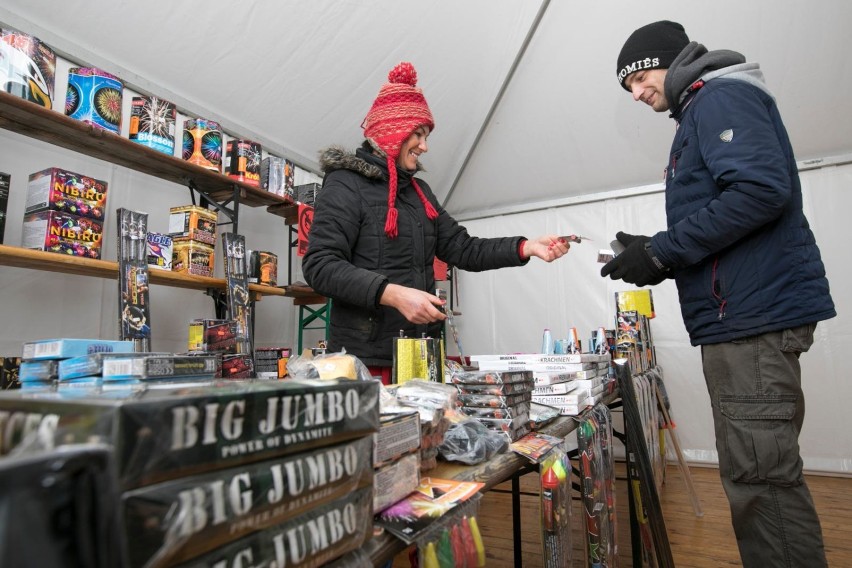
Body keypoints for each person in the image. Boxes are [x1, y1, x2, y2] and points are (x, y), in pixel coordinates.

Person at [603, 20, 835, 567]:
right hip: (744, 317)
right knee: (757, 474)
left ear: (663, 61)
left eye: (635, 82)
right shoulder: (705, 107)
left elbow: (759, 190)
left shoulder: (720, 99)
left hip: (751, 319)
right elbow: (726, 208)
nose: (636, 96)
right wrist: (653, 250)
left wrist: (662, 251)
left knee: (762, 481)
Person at [303, 62, 570, 383]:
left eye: (426, 135)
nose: (424, 146)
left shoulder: (420, 193)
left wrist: (526, 247)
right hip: (366, 362)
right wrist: (393, 294)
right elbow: (320, 266)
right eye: (417, 134)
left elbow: (464, 249)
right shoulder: (345, 184)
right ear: (392, 132)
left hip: (420, 354)